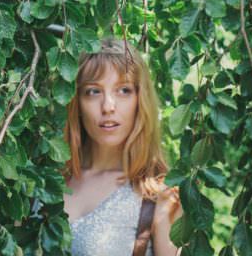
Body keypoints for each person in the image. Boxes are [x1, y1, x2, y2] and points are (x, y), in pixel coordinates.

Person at [63, 37, 181, 256]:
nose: (108, 106)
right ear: (77, 102)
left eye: (123, 90)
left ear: (140, 99)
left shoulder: (160, 197)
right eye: (93, 91)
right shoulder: (49, 179)